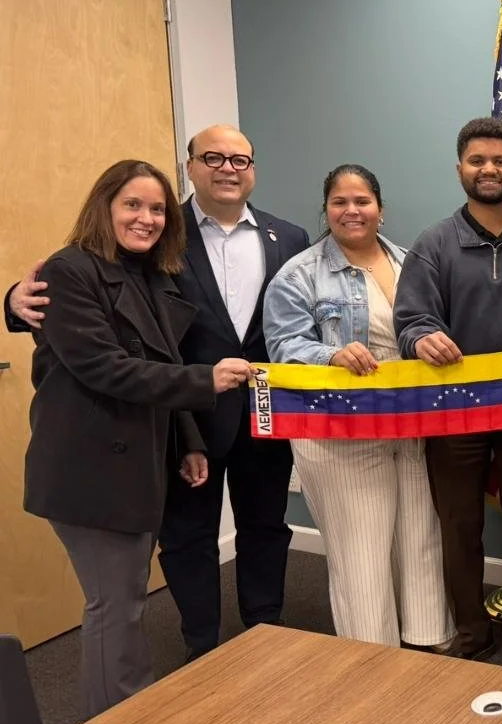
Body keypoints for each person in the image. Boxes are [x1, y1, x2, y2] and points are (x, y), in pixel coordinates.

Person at [7, 125, 309, 663]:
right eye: (212, 156)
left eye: (241, 159)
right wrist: (14, 301)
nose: (228, 168)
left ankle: (268, 625)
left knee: (266, 524)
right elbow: (91, 286)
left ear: (253, 170)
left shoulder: (288, 238)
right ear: (188, 166)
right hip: (182, 416)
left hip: (263, 414)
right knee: (188, 536)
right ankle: (202, 645)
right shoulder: (160, 235)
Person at [23, 159, 252, 717]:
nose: (146, 218)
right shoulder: (69, 271)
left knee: (122, 600)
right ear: (103, 206)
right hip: (89, 470)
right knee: (116, 605)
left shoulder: (150, 276)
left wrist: (190, 440)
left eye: (155, 208)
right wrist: (207, 380)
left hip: (135, 465)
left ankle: (125, 719)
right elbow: (108, 368)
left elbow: (159, 362)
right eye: (132, 204)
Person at [263, 164, 453, 650]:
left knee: (419, 541)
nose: (352, 211)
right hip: (339, 435)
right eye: (340, 203)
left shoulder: (413, 262)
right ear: (326, 210)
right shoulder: (300, 274)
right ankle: (370, 662)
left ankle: (429, 642)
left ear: (380, 210)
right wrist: (331, 355)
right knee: (362, 555)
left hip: (409, 429)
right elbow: (283, 346)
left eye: (362, 201)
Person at [395, 117, 502, 673]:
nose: (489, 170)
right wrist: (421, 337)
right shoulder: (434, 243)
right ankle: (470, 630)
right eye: (477, 161)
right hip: (453, 411)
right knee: (458, 524)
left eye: (500, 161)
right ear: (460, 168)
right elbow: (410, 320)